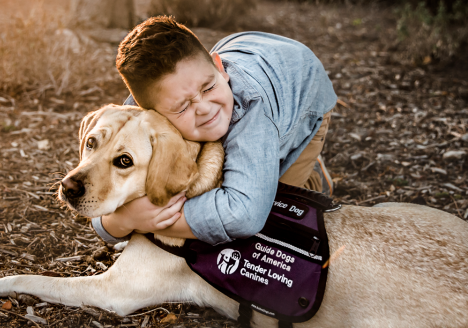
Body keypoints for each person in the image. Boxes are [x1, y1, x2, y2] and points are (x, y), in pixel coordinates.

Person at [91, 16, 337, 245]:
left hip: (301, 89)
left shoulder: (254, 110)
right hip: (251, 48)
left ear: (219, 67)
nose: (205, 109)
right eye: (182, 106)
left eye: (208, 88)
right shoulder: (142, 116)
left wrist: (145, 221)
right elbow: (98, 179)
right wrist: (121, 220)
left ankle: (312, 173)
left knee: (271, 212)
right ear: (149, 111)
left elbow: (244, 216)